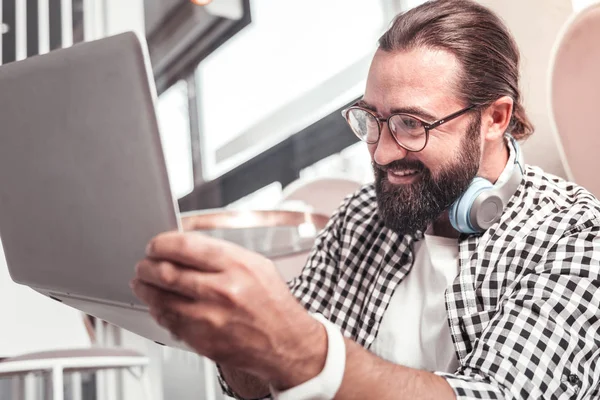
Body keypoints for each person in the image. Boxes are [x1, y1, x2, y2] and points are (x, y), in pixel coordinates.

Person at [130, 0, 600, 399]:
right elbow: (263, 382)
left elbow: (497, 393)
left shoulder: (574, 235)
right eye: (371, 119)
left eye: (412, 124)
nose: (382, 150)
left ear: (496, 117)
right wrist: (235, 337)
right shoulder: (360, 218)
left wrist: (304, 349)